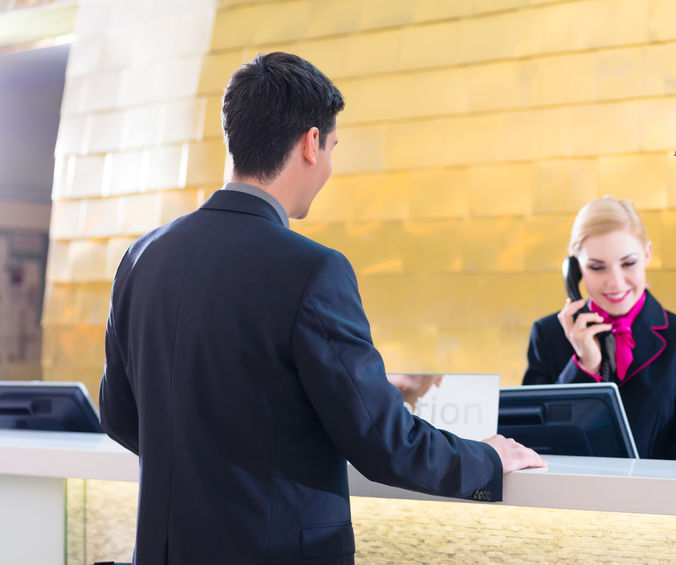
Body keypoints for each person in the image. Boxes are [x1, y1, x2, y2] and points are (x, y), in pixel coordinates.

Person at [99, 52, 544, 565]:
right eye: (332, 147)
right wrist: (487, 460)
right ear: (311, 143)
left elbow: (120, 416)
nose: (329, 163)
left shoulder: (141, 256)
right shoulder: (312, 270)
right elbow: (384, 443)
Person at [522, 196, 676, 461]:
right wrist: (584, 366)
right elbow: (531, 446)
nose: (615, 282)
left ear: (647, 255)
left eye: (628, 263)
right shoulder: (547, 336)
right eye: (596, 267)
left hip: (653, 489)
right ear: (575, 269)